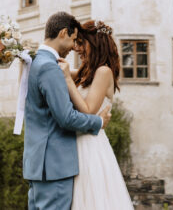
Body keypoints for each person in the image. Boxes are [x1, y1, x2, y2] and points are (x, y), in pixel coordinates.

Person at [23, 11, 112, 210]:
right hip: (54, 166)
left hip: (39, 164)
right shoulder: (49, 67)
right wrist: (99, 122)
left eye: (80, 43)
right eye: (74, 40)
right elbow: (66, 117)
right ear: (63, 33)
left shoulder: (37, 62)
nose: (75, 47)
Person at [57, 20, 134, 209]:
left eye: (82, 43)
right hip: (77, 142)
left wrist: (67, 78)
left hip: (90, 145)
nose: (77, 48)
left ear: (96, 43)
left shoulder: (104, 71)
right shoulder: (87, 72)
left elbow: (89, 110)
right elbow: (57, 71)